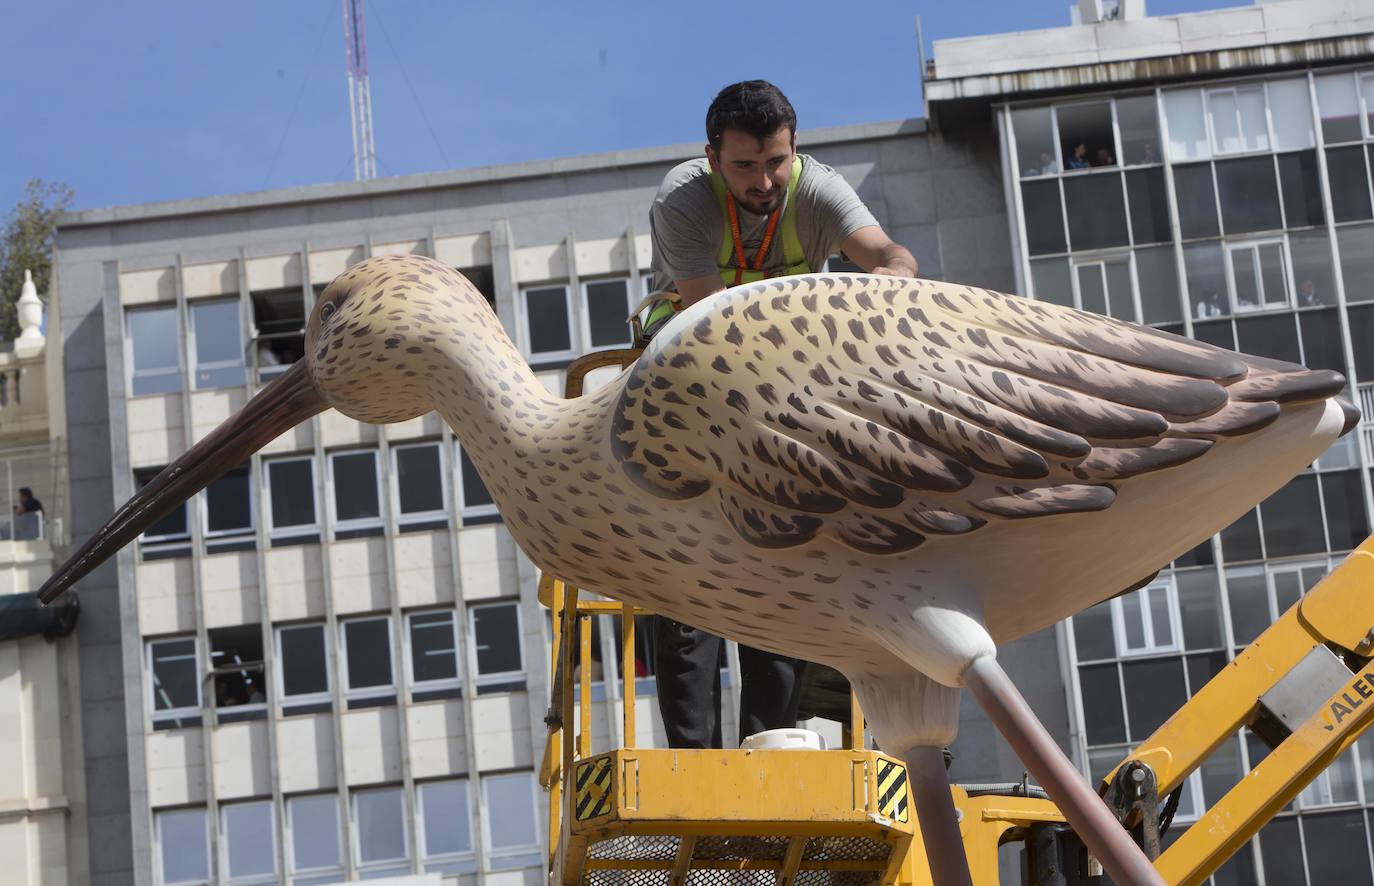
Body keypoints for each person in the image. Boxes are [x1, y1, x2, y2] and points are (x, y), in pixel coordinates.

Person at [644, 80, 918, 748]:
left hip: (783, 408)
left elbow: (892, 256)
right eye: (744, 166)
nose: (764, 181)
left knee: (781, 575)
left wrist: (886, 283)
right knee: (690, 588)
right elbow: (716, 326)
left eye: (776, 162)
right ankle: (695, 769)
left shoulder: (817, 189)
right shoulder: (683, 203)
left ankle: (771, 755)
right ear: (712, 158)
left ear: (794, 149)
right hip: (694, 396)